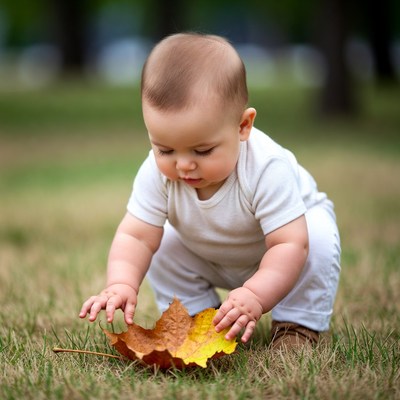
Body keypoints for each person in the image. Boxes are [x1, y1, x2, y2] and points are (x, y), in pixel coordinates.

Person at [79, 33, 341, 349]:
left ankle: (296, 325)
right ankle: (201, 319)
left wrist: (254, 295)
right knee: (162, 244)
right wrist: (121, 282)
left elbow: (289, 243)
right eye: (165, 149)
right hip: (209, 251)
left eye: (202, 151)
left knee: (318, 238)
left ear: (243, 126)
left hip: (281, 247)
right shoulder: (155, 172)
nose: (183, 165)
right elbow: (135, 236)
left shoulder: (266, 167)